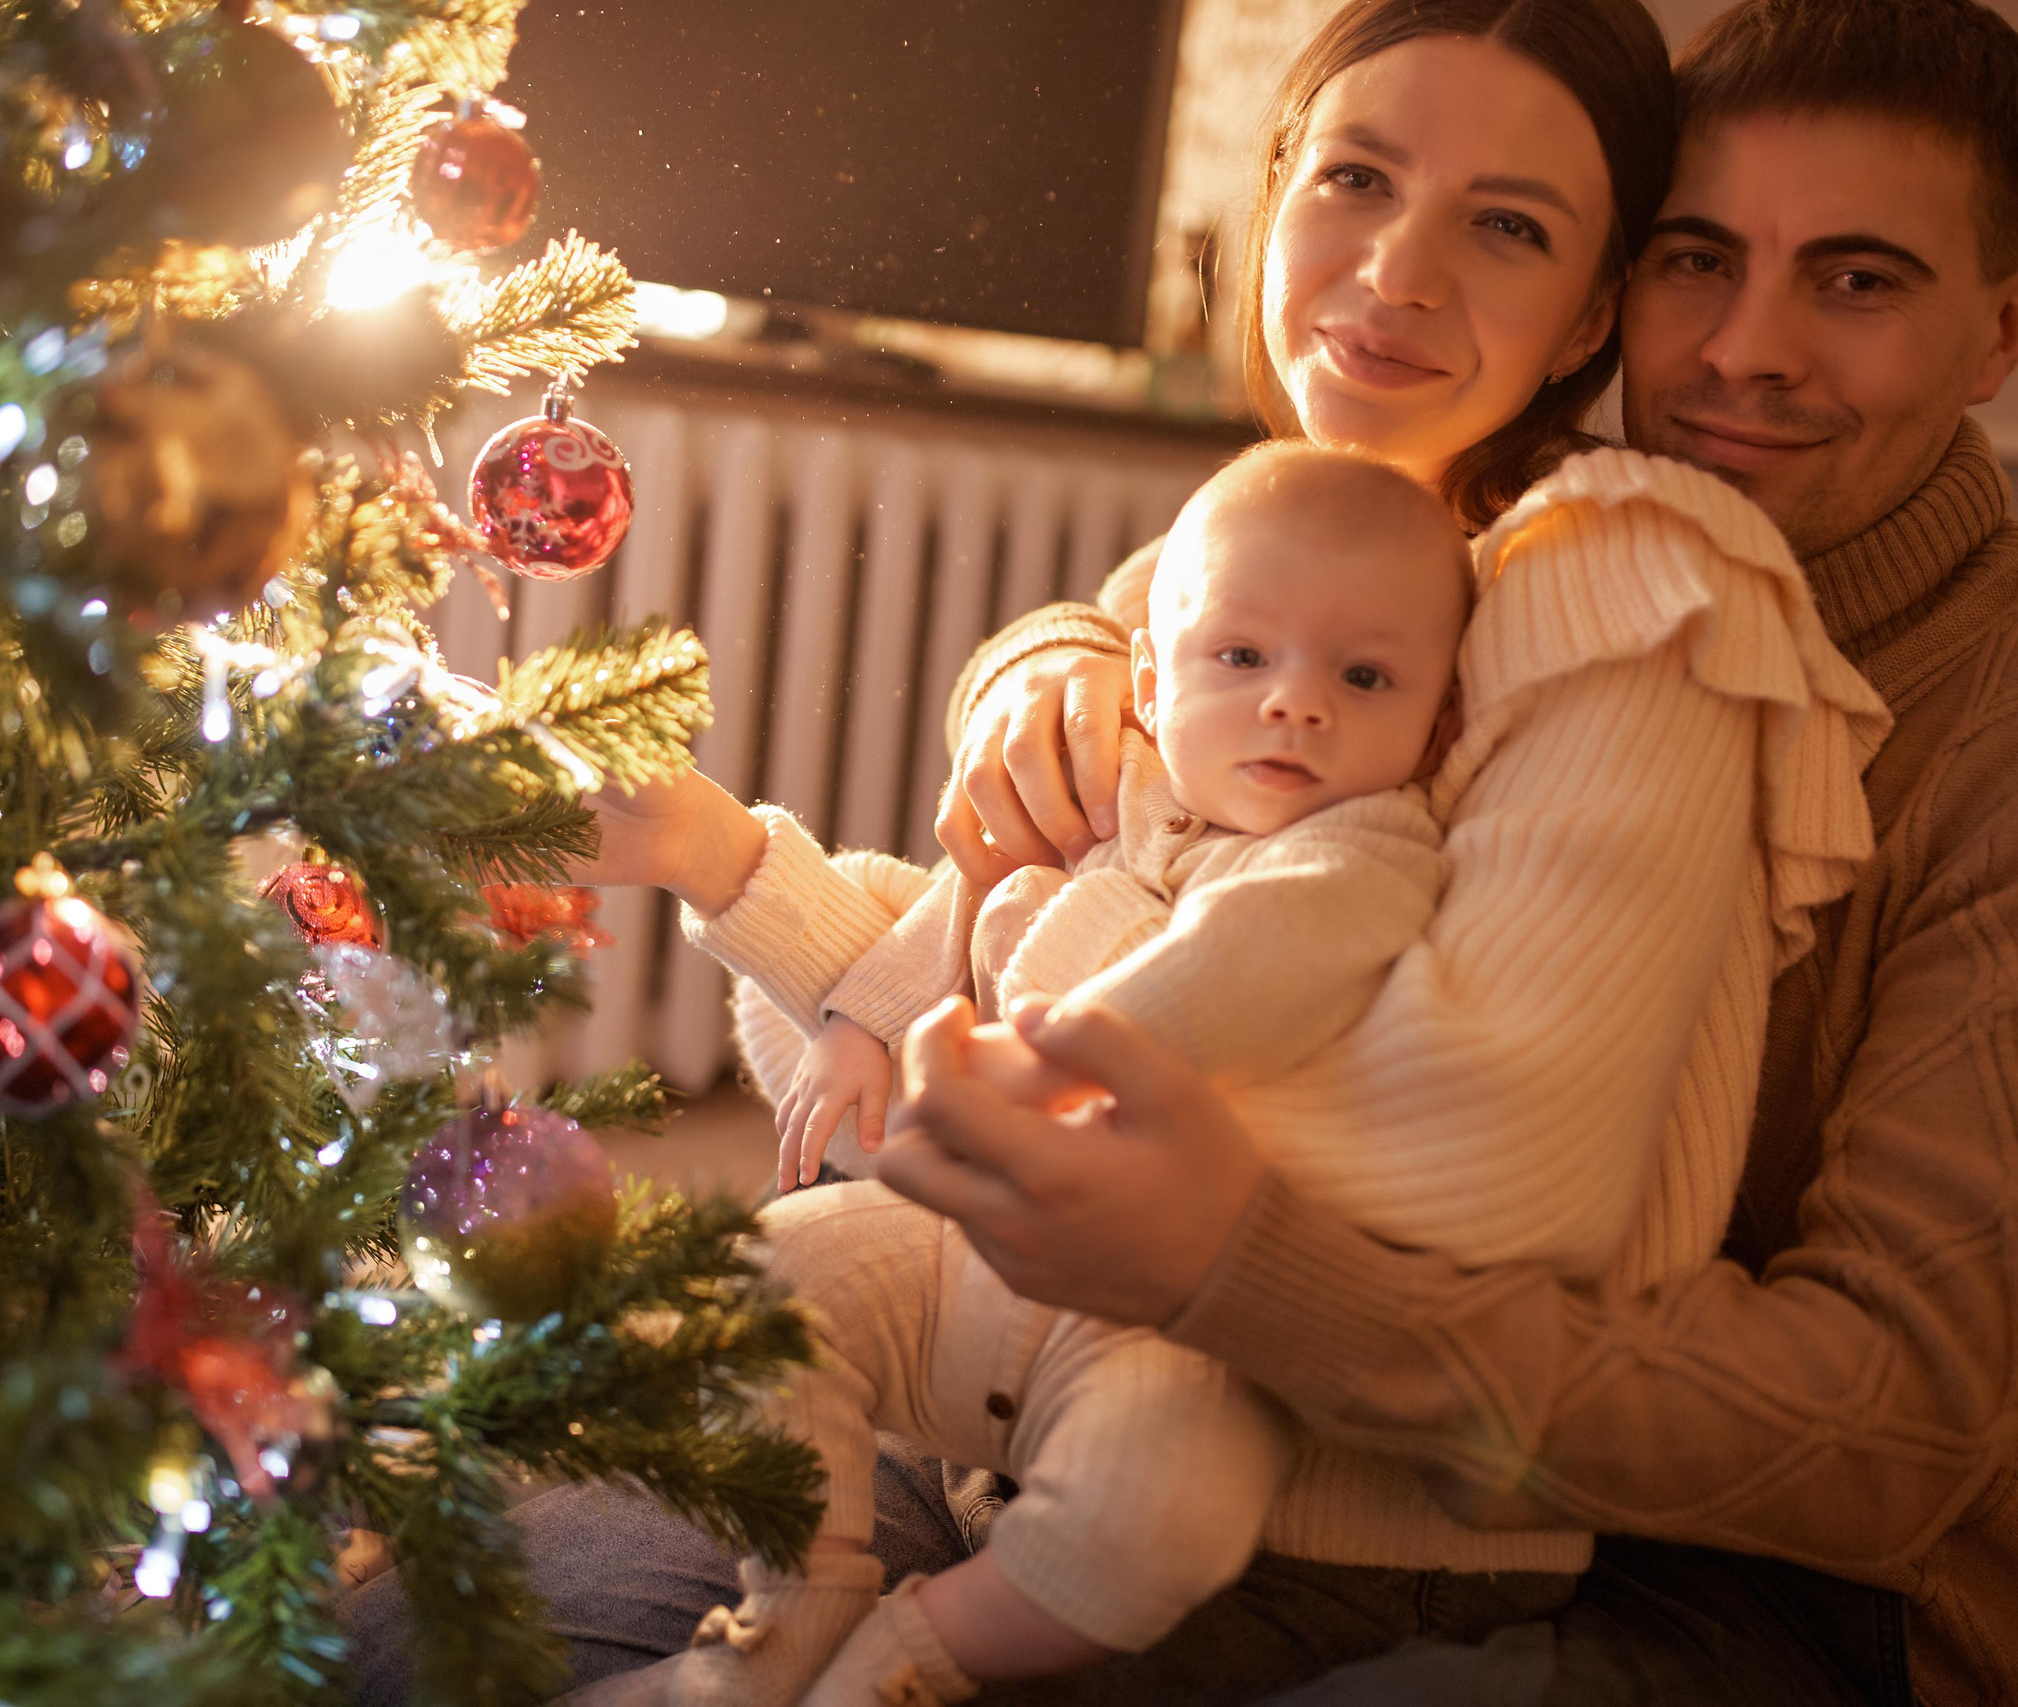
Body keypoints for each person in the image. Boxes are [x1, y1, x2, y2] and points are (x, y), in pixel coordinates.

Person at [881, 2, 2018, 1705]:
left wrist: (1230, 1259)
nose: (1747, 351)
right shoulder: (1528, 533)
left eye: (1857, 281)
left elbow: (1895, 1429)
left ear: (2005, 322)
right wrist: (1051, 650)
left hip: (1817, 1607)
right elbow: (1196, 636)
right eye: (1696, 260)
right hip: (1314, 1454)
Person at [611, 450, 1514, 1707]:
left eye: (1362, 677)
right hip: (967, 1252)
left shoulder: (1362, 854)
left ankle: (917, 1653)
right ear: (1151, 681)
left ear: (1438, 720)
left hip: (1152, 1313)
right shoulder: (1117, 797)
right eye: (1242, 660)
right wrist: (864, 1022)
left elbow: (1234, 977)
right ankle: (800, 1595)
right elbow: (961, 912)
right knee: (768, 1275)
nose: (1294, 706)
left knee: (1163, 1503)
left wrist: (1042, 1056)